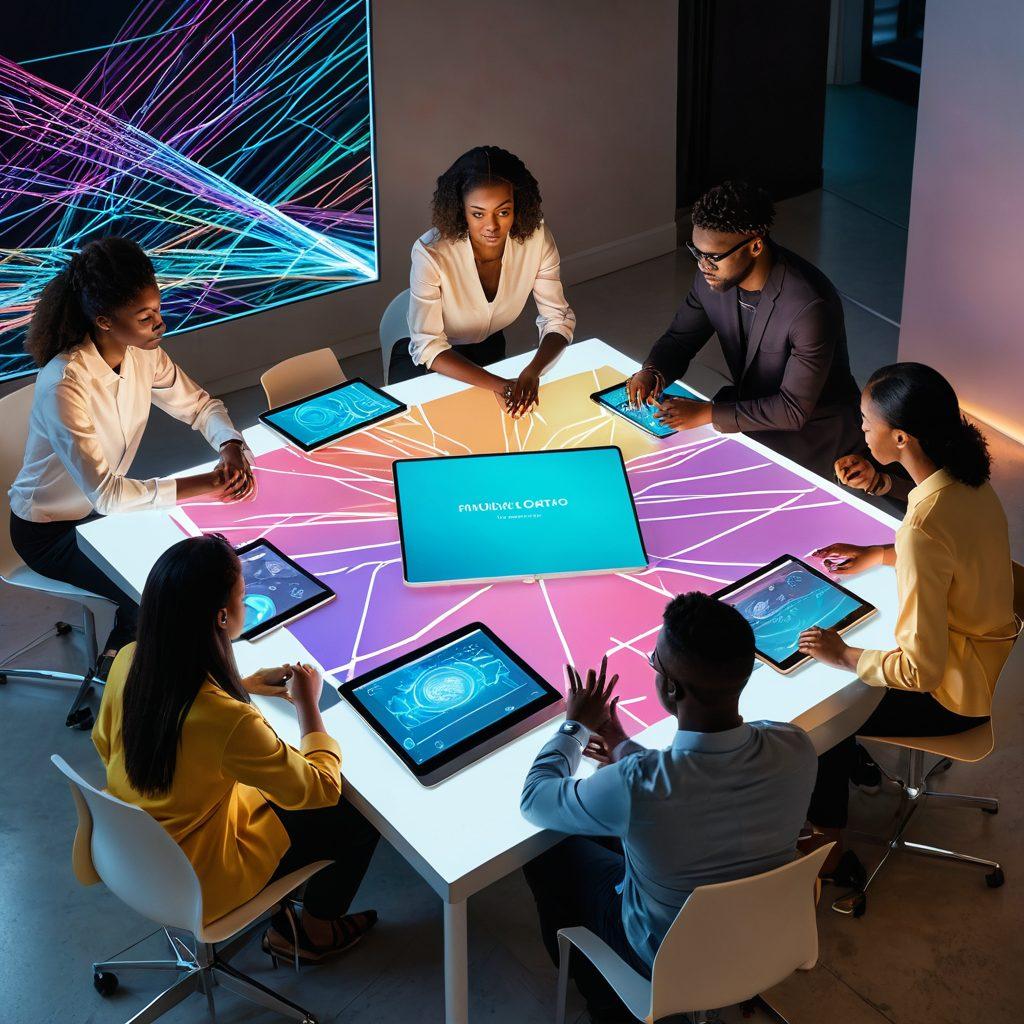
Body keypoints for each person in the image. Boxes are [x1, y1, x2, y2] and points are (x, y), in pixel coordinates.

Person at [520, 593, 817, 1023]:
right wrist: (622, 746)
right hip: (766, 934)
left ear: (671, 688)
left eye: (655, 663)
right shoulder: (796, 746)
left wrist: (576, 726)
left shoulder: (638, 785)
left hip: (664, 955)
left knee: (550, 848)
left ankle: (603, 995)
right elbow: (688, 783)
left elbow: (535, 799)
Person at [92, 534, 380, 963]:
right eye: (245, 596)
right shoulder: (230, 722)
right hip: (203, 876)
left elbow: (106, 742)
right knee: (355, 818)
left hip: (135, 853)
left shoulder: (130, 658)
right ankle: (313, 931)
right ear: (223, 617)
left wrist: (238, 687)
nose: (249, 602)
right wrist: (308, 707)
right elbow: (319, 790)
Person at [799, 363, 1018, 862]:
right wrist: (879, 553)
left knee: (826, 716)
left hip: (956, 697)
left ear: (899, 438)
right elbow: (948, 550)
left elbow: (921, 670)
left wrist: (844, 654)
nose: (860, 431)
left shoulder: (924, 525)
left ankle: (830, 851)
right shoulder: (967, 481)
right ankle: (858, 766)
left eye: (866, 422)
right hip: (990, 663)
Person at [8, 237, 254, 678]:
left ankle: (125, 640)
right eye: (145, 317)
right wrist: (208, 485)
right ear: (103, 319)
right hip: (49, 532)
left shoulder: (144, 355)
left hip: (101, 513)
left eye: (157, 308)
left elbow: (199, 406)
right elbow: (107, 495)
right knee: (159, 593)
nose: (159, 322)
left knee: (172, 573)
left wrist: (230, 445)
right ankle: (121, 676)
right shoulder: (64, 384)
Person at [627, 180, 903, 499]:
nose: (703, 266)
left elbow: (793, 409)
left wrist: (708, 413)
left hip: (814, 434)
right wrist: (653, 371)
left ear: (755, 246)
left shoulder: (810, 306)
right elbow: (678, 341)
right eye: (696, 253)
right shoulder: (711, 276)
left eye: (713, 256)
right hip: (747, 410)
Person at [390, 146, 576, 417]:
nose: (492, 226)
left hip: (487, 347)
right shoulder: (430, 253)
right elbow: (428, 345)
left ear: (518, 206)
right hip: (424, 358)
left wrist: (533, 371)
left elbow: (558, 319)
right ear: (460, 211)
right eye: (478, 213)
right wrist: (500, 385)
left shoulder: (537, 240)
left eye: (503, 212)